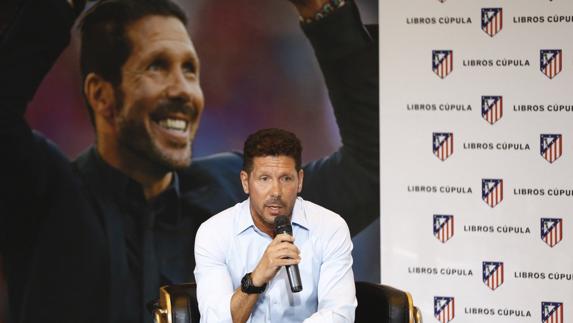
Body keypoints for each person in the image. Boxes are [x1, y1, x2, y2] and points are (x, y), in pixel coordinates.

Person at [0, 0, 377, 322]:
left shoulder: (234, 191)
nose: (183, 90)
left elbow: (370, 172)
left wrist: (323, 11)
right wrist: (55, 10)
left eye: (190, 70)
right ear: (102, 94)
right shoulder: (44, 194)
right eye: (157, 67)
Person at [195, 128, 356, 323]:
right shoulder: (213, 233)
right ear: (246, 182)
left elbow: (339, 315)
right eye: (264, 179)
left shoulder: (330, 227)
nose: (276, 192)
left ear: (300, 181)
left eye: (286, 179)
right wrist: (255, 279)